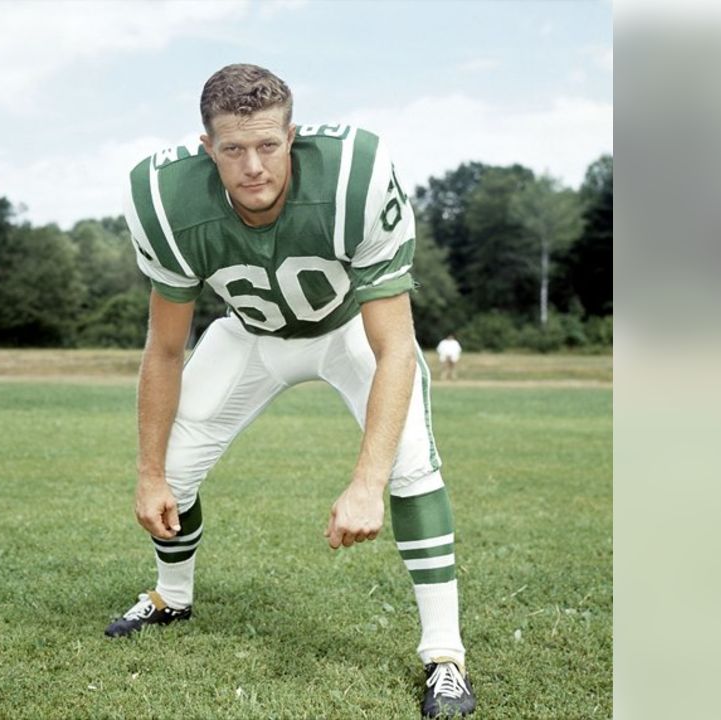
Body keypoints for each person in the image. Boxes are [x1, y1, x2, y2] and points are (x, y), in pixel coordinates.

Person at [107, 64, 475, 718]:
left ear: (293, 136)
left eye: (269, 145)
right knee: (173, 473)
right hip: (248, 336)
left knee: (410, 466)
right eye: (232, 149)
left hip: (349, 332)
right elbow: (165, 347)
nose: (253, 166)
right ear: (205, 148)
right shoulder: (165, 198)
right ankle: (172, 595)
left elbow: (395, 346)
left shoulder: (352, 174)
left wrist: (366, 480)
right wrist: (145, 471)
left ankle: (444, 655)